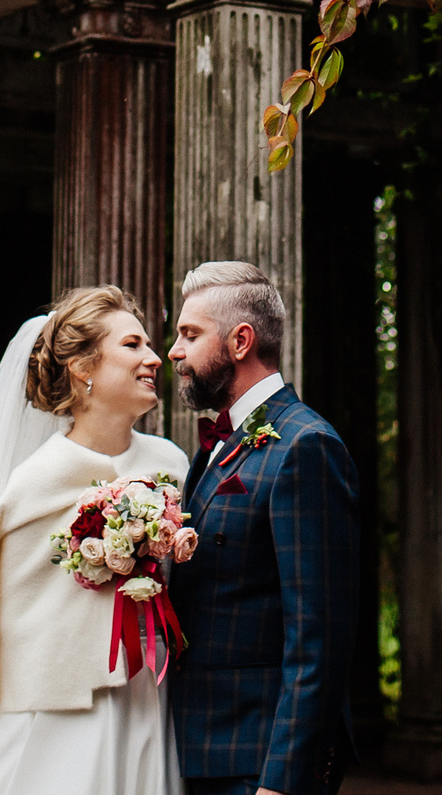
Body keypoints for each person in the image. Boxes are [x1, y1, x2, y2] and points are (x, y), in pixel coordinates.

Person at [0, 286, 195, 795]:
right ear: (83, 368)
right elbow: (8, 623)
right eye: (132, 345)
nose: (155, 358)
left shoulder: (172, 466)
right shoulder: (32, 487)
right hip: (62, 719)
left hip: (152, 704)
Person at [166, 261, 361, 795]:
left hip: (259, 763)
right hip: (201, 749)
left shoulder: (305, 446)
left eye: (189, 334)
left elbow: (318, 636)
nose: (174, 352)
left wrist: (281, 780)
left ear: (240, 341)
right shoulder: (217, 448)